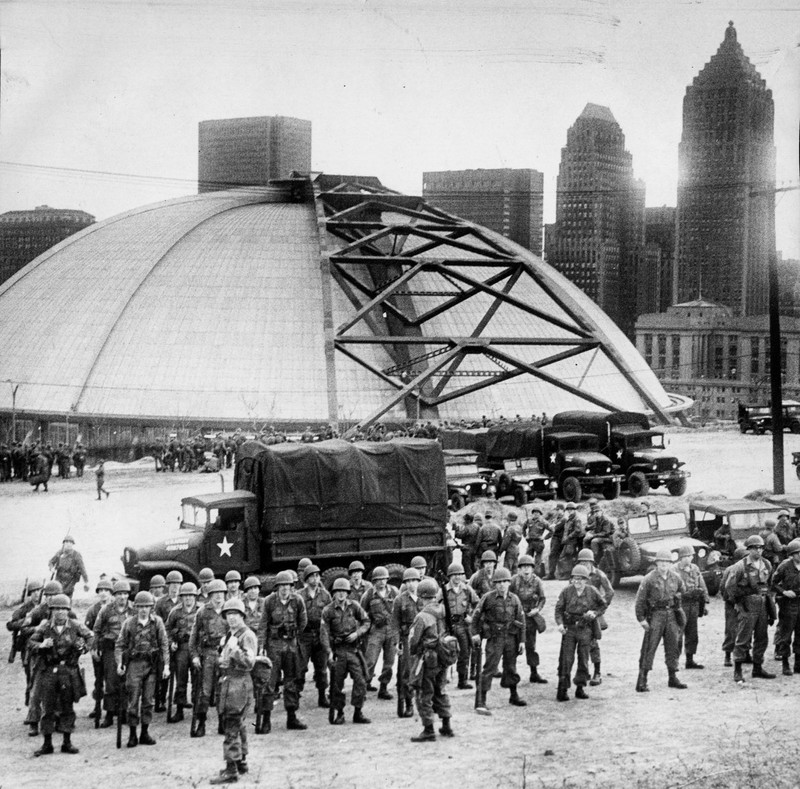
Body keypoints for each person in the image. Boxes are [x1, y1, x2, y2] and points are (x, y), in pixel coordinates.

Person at [28, 594, 94, 757]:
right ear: (51, 611)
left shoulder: (75, 625)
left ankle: (67, 741)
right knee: (48, 707)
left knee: (67, 707)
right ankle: (47, 743)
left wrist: (82, 648)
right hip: (49, 670)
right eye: (56, 609)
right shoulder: (44, 627)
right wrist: (41, 645)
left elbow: (91, 637)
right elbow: (30, 642)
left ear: (68, 611)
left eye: (63, 609)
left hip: (68, 670)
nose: (60, 613)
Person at [208, 598, 261, 785]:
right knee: (238, 724)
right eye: (228, 614)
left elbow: (249, 662)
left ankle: (231, 769)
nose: (231, 618)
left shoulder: (246, 635)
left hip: (239, 683)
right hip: (229, 681)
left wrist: (234, 650)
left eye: (235, 614)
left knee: (231, 724)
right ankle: (241, 762)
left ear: (242, 616)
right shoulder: (230, 635)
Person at [115, 590, 170, 747]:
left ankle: (144, 732)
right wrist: (120, 663)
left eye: (147, 606)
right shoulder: (129, 623)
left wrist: (166, 665)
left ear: (151, 607)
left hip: (151, 665)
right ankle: (132, 734)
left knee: (148, 700)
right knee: (133, 699)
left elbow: (164, 644)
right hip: (134, 665)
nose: (144, 609)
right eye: (141, 606)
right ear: (136, 607)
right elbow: (120, 645)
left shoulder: (157, 622)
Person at [257, 570, 308, 732]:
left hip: (291, 646)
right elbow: (263, 624)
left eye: (287, 585)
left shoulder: (297, 600)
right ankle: (266, 719)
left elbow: (303, 621)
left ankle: (291, 717)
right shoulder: (269, 602)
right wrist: (261, 646)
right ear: (277, 587)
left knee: (291, 681)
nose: (285, 589)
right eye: (281, 586)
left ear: (291, 587)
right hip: (274, 646)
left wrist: (294, 634)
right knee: (270, 682)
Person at [470, 567, 526, 713]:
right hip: (495, 638)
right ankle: (481, 700)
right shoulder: (488, 598)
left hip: (511, 638)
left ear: (509, 583)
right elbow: (476, 615)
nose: (502, 585)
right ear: (494, 584)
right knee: (489, 667)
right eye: (499, 582)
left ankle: (513, 695)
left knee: (511, 667)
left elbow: (521, 620)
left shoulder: (514, 599)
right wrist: (475, 633)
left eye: (505, 582)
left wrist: (522, 641)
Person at [408, 578, 456, 742]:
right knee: (440, 690)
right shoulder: (443, 610)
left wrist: (415, 652)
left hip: (428, 659)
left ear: (421, 596)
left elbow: (413, 641)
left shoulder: (422, 617)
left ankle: (428, 729)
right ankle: (446, 724)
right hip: (444, 657)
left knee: (424, 693)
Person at [634, 548, 687, 692]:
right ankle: (642, 679)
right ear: (656, 563)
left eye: (667, 562)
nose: (664, 565)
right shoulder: (649, 578)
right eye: (661, 562)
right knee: (649, 647)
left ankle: (673, 677)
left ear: (670, 563)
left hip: (671, 615)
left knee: (673, 646)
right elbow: (640, 600)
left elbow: (683, 591)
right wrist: (641, 619)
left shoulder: (675, 577)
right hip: (655, 615)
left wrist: (678, 601)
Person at [320, 577, 371, 725]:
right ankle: (340, 712)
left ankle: (358, 712)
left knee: (361, 681)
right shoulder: (328, 610)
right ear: (334, 593)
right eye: (338, 591)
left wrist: (357, 633)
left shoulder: (354, 606)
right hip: (338, 651)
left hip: (353, 649)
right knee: (337, 684)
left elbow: (366, 621)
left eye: (343, 591)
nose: (341, 594)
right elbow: (324, 633)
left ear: (348, 592)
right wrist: (329, 651)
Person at [725, 534, 776, 682]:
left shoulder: (766, 564)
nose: (758, 551)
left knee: (762, 638)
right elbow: (730, 587)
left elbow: (769, 584)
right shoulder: (740, 566)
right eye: (755, 548)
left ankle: (757, 668)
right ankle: (738, 670)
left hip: (762, 604)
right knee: (743, 638)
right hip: (747, 605)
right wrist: (739, 603)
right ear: (749, 549)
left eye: (760, 548)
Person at [554, 565, 607, 701]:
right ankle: (563, 689)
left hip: (585, 629)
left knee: (583, 659)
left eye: (581, 579)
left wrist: (594, 613)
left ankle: (580, 687)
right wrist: (560, 624)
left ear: (586, 580)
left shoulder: (592, 591)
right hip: (569, 628)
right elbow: (558, 609)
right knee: (566, 659)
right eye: (575, 579)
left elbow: (603, 604)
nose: (577, 582)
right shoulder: (566, 591)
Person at [189, 578, 228, 737]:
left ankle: (222, 722)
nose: (218, 596)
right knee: (205, 691)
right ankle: (201, 723)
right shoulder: (202, 612)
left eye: (221, 593)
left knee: (222, 691)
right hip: (208, 655)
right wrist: (195, 656)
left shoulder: (231, 609)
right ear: (210, 595)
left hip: (226, 654)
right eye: (215, 593)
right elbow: (193, 638)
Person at [93, 579, 133, 730]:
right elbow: (96, 630)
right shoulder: (106, 610)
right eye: (119, 594)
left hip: (128, 649)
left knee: (127, 681)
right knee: (111, 681)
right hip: (110, 649)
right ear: (114, 595)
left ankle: (124, 711)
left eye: (125, 594)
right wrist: (96, 647)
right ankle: (109, 714)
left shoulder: (134, 609)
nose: (122, 597)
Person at [576, 548, 614, 686]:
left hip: (593, 614)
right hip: (580, 614)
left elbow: (610, 592)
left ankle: (597, 672)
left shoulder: (599, 574)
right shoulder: (577, 573)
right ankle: (584, 671)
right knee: (581, 642)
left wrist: (600, 609)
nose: (584, 564)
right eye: (582, 562)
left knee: (592, 643)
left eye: (587, 562)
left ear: (592, 562)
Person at [439, 562, 480, 690]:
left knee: (465, 653)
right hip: (447, 626)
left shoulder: (467, 590)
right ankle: (442, 680)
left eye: (460, 574)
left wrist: (471, 616)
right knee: (445, 652)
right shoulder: (443, 591)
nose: (457, 577)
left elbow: (478, 604)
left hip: (463, 625)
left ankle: (462, 680)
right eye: (454, 575)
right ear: (450, 576)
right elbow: (436, 606)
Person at [297, 564, 332, 708]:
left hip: (320, 634)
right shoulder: (299, 595)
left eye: (317, 575)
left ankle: (322, 696)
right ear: (306, 578)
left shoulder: (325, 595)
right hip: (304, 636)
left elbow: (330, 614)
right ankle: (295, 696)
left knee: (321, 667)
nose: (315, 578)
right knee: (300, 668)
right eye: (312, 576)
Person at [360, 566, 397, 698]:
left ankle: (383, 688)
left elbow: (398, 611)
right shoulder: (369, 594)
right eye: (378, 580)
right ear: (374, 581)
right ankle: (363, 686)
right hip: (376, 630)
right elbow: (362, 614)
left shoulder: (393, 592)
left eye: (384, 579)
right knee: (370, 660)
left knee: (389, 661)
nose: (381, 582)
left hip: (391, 630)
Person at [165, 581, 200, 723]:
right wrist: (171, 641)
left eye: (191, 596)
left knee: (197, 678)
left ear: (195, 597)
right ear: (181, 597)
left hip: (197, 648)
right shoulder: (175, 612)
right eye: (185, 596)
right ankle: (179, 709)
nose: (188, 599)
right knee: (181, 679)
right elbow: (166, 629)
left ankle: (197, 710)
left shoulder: (201, 610)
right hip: (182, 648)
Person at [510, 555, 548, 684]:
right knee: (514, 645)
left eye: (529, 567)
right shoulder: (514, 580)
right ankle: (511, 673)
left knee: (531, 645)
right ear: (519, 569)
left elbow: (543, 598)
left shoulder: (537, 581)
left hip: (530, 617)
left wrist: (537, 609)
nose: (526, 570)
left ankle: (534, 672)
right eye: (523, 567)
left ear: (532, 568)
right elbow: (508, 597)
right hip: (517, 617)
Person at [392, 567, 423, 717]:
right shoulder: (400, 599)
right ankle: (409, 703)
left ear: (419, 581)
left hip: (424, 638)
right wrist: (397, 643)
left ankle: (425, 702)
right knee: (407, 673)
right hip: (407, 640)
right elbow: (395, 624)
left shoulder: (425, 596)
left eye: (414, 580)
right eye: (409, 581)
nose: (412, 584)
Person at [673, 544, 710, 670]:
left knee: (692, 633)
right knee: (678, 634)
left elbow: (701, 583)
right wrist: (682, 594)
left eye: (691, 556)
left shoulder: (695, 568)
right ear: (681, 557)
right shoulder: (674, 570)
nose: (690, 558)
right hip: (680, 605)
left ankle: (690, 660)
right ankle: (674, 662)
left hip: (694, 605)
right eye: (687, 556)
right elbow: (670, 588)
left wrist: (705, 599)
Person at [84, 578, 113, 721]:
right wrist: (92, 649)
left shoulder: (114, 608)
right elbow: (87, 632)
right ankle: (97, 707)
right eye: (101, 591)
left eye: (106, 591)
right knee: (98, 679)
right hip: (97, 649)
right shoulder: (93, 610)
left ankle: (111, 709)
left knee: (111, 680)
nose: (103, 593)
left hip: (110, 650)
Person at [154, 570, 183, 711]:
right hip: (165, 641)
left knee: (181, 671)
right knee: (164, 671)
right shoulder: (160, 603)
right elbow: (157, 623)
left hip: (181, 642)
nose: (175, 587)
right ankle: (161, 699)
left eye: (177, 584)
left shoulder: (185, 600)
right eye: (172, 584)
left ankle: (180, 698)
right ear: (167, 586)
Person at [772, 539, 800, 676]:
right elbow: (773, 583)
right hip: (789, 605)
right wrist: (784, 592)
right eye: (798, 553)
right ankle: (785, 664)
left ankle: (798, 664)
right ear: (792, 554)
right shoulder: (785, 566)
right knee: (786, 635)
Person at [583, 498, 615, 563]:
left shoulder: (605, 520)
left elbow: (605, 533)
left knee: (594, 541)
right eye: (595, 512)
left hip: (607, 537)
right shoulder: (597, 519)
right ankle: (585, 556)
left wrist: (593, 535)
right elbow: (595, 527)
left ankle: (595, 558)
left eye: (597, 511)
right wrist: (590, 532)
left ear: (601, 512)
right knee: (586, 539)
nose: (596, 513)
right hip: (600, 535)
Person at [524, 506, 551, 573]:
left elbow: (552, 530)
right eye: (534, 512)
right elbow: (523, 528)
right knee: (527, 558)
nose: (535, 514)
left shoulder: (543, 522)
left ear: (540, 514)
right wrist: (525, 536)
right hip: (530, 542)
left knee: (538, 560)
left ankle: (537, 574)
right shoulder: (529, 521)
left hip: (539, 543)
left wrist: (544, 537)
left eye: (537, 513)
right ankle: (527, 572)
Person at [546, 503, 566, 579]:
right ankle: (552, 574)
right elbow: (551, 527)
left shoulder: (564, 519)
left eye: (558, 510)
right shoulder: (556, 518)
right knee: (553, 556)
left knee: (555, 555)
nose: (557, 511)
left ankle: (556, 574)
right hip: (554, 539)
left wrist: (551, 527)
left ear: (563, 510)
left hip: (559, 539)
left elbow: (555, 528)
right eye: (556, 510)